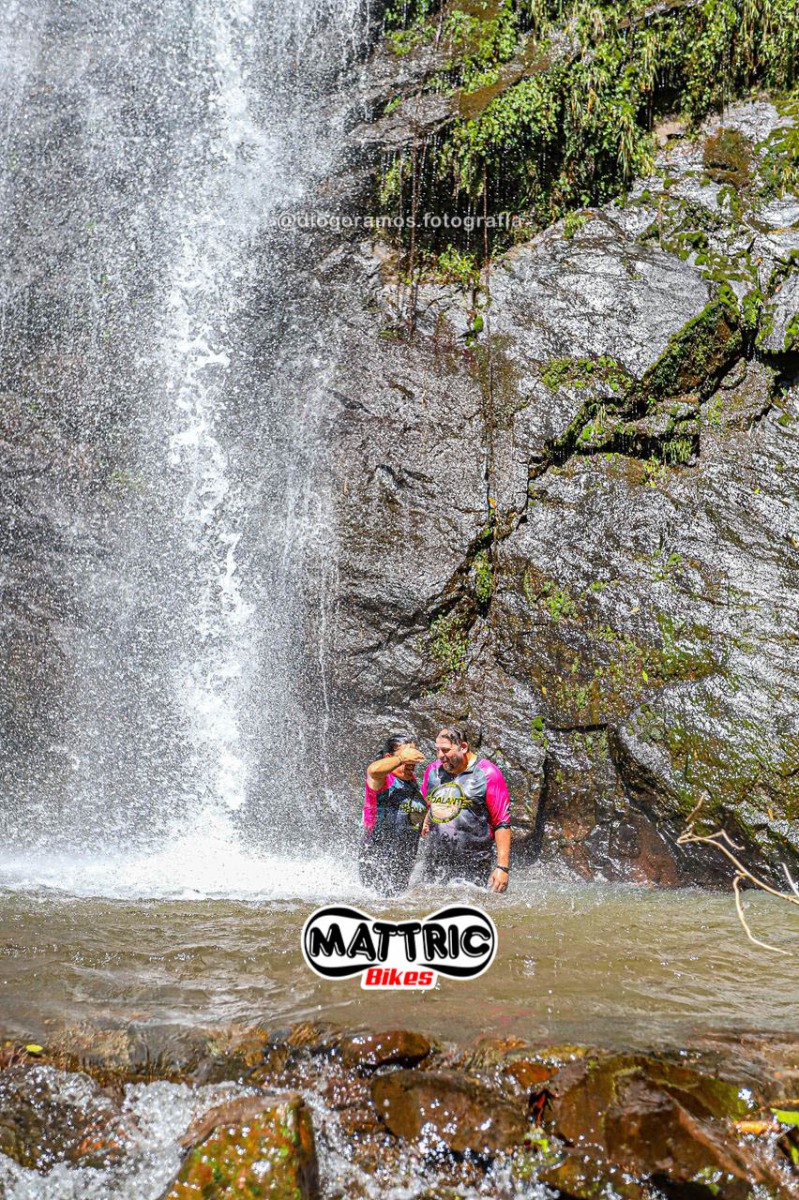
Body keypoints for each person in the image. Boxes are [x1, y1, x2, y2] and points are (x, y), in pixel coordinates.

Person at [420, 726, 511, 893]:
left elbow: (502, 823)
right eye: (437, 750)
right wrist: (424, 821)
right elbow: (427, 803)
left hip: (473, 864)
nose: (440, 755)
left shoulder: (488, 774)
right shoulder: (433, 771)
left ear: (463, 747)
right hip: (435, 861)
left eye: (445, 750)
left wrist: (502, 867)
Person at [359, 734, 426, 896]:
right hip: (378, 858)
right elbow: (373, 770)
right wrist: (401, 759)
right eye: (407, 756)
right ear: (390, 758)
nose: (412, 761)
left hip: (404, 860)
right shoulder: (382, 779)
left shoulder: (410, 780)